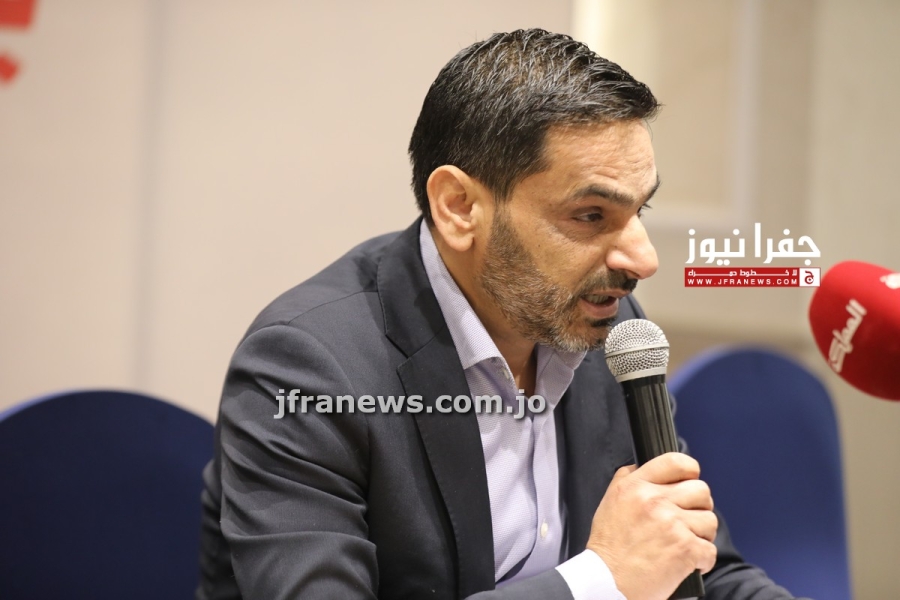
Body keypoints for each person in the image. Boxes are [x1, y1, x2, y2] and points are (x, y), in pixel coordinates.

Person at [197, 29, 801, 600]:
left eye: (640, 211)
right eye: (591, 215)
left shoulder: (609, 327)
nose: (642, 259)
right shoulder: (307, 367)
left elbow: (703, 568)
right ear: (459, 207)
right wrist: (600, 579)